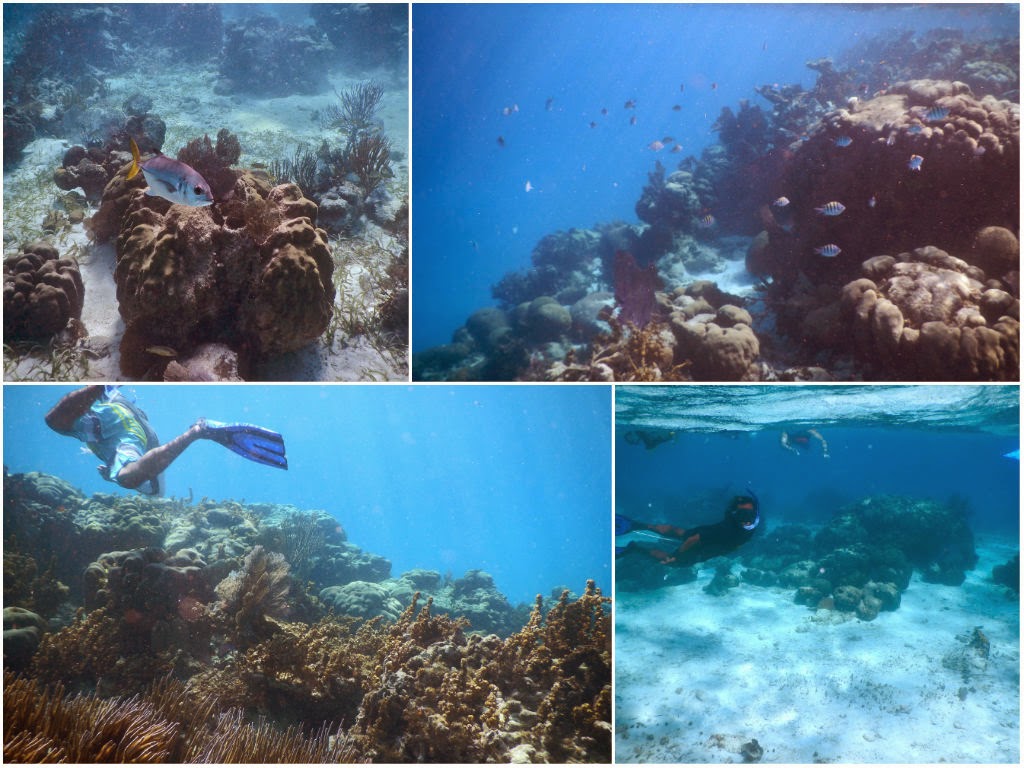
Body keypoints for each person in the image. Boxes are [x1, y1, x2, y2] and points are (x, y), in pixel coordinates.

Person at [45, 386, 287, 496]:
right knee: (133, 480)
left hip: (128, 426)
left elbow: (131, 472)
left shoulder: (128, 446)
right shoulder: (101, 440)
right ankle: (195, 432)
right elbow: (55, 418)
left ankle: (197, 431)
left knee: (134, 481)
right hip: (116, 412)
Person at [616, 491, 760, 566]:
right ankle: (634, 548)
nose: (747, 519)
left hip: (709, 533)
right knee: (675, 563)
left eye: (750, 514)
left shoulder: (754, 518)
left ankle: (636, 525)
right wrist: (677, 555)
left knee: (682, 533)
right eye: (742, 514)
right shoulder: (728, 529)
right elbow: (694, 539)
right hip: (706, 543)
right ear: (735, 514)